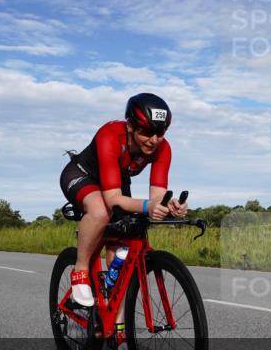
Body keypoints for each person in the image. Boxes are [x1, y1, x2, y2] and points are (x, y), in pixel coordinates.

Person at [59, 93, 188, 307]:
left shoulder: (163, 148)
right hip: (82, 175)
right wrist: (148, 205)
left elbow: (157, 196)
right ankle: (80, 270)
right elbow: (112, 200)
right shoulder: (110, 135)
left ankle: (113, 320)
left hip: (117, 180)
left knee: (123, 244)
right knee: (101, 211)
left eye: (160, 132)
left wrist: (169, 205)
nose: (154, 140)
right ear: (130, 125)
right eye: (147, 132)